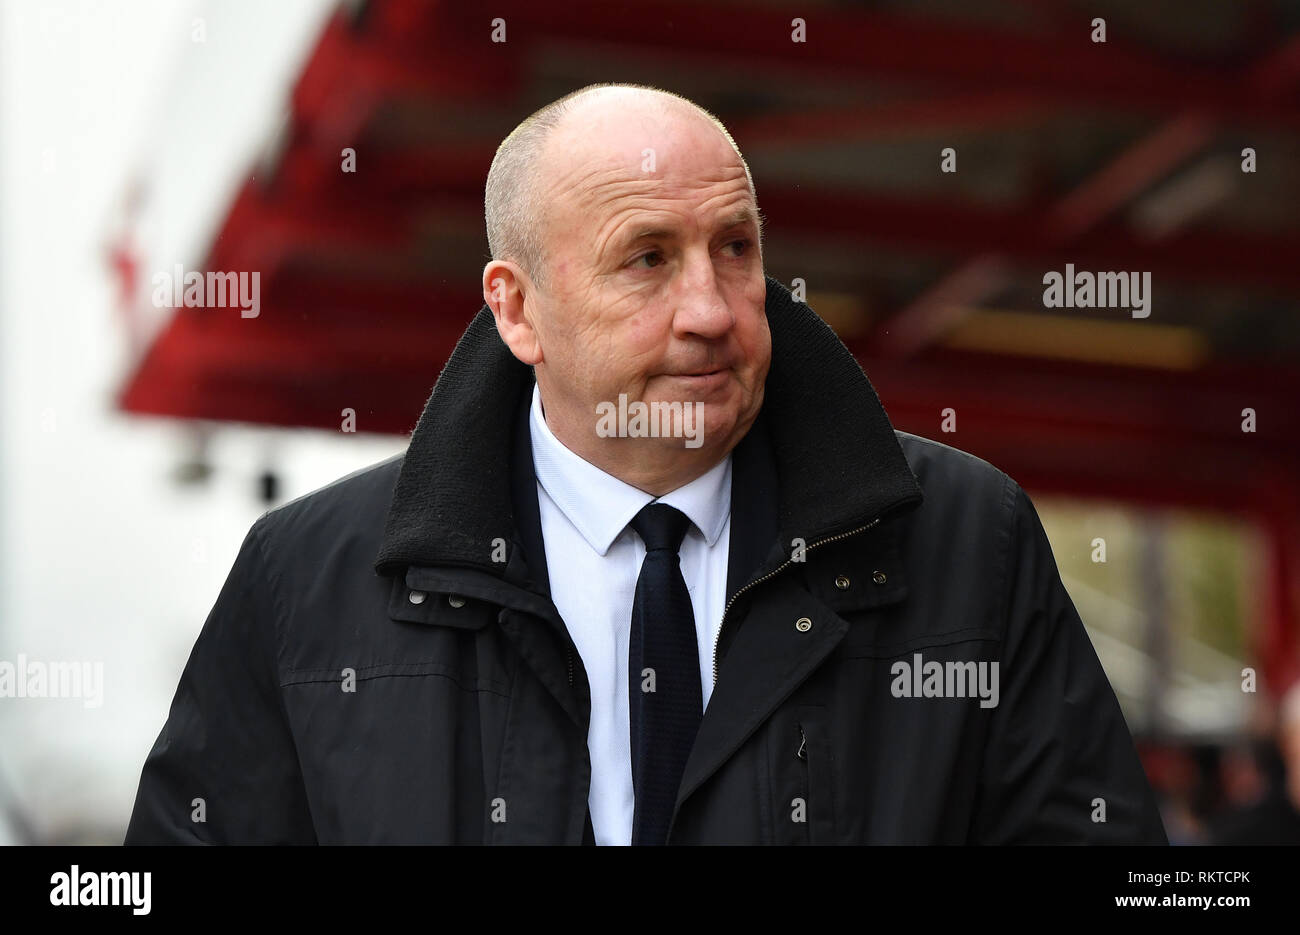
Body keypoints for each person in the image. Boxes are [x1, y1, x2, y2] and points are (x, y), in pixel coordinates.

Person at [125, 83, 1167, 845]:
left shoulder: (963, 542)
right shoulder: (308, 580)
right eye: (648, 259)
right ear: (515, 307)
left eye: (736, 248)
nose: (710, 311)